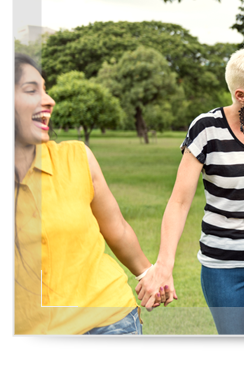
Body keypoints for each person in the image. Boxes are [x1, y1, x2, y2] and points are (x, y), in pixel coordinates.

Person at [136, 47, 244, 335]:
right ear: (241, 95)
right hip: (223, 267)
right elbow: (179, 202)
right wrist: (163, 266)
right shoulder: (207, 130)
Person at [14, 53, 164, 335]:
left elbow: (116, 228)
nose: (49, 100)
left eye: (45, 89)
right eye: (31, 90)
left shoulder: (76, 157)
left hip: (108, 322)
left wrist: (148, 274)